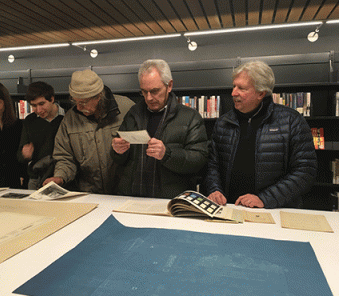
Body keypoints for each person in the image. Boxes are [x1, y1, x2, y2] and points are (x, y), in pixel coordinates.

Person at [203, 60, 317, 209]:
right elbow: (212, 165)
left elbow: (305, 171)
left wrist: (265, 199)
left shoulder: (291, 121)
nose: (233, 93)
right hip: (228, 208)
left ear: (261, 93)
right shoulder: (223, 122)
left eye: (241, 88)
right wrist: (214, 190)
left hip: (273, 210)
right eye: (234, 86)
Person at [111, 59, 209, 199]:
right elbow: (120, 161)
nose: (149, 98)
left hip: (169, 201)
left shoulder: (190, 117)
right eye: (144, 92)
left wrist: (167, 154)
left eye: (155, 91)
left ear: (169, 85)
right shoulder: (134, 113)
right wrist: (117, 151)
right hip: (132, 198)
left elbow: (199, 161)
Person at [43, 69, 135, 193]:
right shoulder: (70, 119)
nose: (79, 107)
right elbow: (65, 157)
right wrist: (60, 176)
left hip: (124, 192)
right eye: (75, 101)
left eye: (83, 102)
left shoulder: (127, 108)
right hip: (89, 193)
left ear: (98, 96)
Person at [17, 81, 65, 190]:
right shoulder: (30, 121)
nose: (38, 110)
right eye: (34, 106)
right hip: (37, 179)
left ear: (52, 99)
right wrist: (25, 155)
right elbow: (20, 155)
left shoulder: (66, 118)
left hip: (62, 178)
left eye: (42, 104)